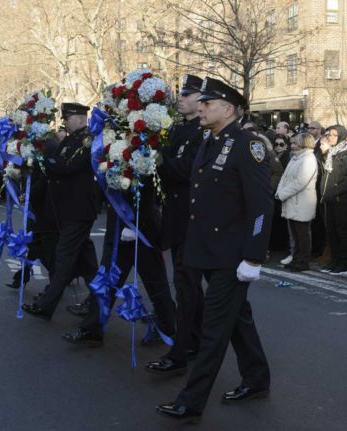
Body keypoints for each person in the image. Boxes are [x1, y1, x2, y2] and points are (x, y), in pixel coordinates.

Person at [156, 77, 272, 422]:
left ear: (229, 109)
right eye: (201, 102)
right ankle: (257, 377)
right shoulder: (210, 141)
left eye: (209, 103)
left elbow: (261, 206)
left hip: (230, 254)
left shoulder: (248, 145)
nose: (202, 107)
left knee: (213, 329)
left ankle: (191, 402)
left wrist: (253, 256)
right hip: (205, 248)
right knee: (237, 319)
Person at [145, 74, 206, 375]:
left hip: (193, 221)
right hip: (176, 217)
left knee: (186, 288)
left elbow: (186, 170)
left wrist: (159, 162)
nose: (181, 98)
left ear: (201, 99)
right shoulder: (180, 131)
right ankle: (197, 341)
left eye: (188, 94)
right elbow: (169, 163)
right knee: (189, 287)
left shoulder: (203, 133)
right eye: (180, 94)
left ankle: (182, 350)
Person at [22, 102, 101, 322]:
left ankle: (46, 305)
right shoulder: (70, 139)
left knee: (64, 258)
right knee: (88, 264)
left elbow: (68, 166)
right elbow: (60, 162)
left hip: (79, 210)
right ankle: (99, 300)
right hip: (68, 210)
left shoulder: (87, 140)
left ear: (79, 118)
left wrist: (48, 161)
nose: (64, 122)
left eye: (67, 118)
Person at [318, 125, 347, 275]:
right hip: (329, 199)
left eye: (335, 135)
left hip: (341, 199)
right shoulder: (332, 153)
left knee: (341, 232)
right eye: (330, 135)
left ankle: (343, 264)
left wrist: (334, 192)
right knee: (331, 232)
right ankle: (334, 260)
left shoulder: (346, 153)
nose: (331, 138)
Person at [276, 133, 318, 272]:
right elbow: (285, 176)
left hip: (302, 201)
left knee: (302, 234)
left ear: (304, 144)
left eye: (295, 143)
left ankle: (303, 261)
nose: (292, 145)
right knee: (295, 234)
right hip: (292, 200)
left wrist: (282, 193)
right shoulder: (295, 158)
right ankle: (296, 259)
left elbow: (301, 181)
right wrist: (279, 190)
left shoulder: (309, 159)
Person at [270, 134, 291, 255]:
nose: (278, 147)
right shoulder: (272, 156)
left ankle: (282, 245)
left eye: (281, 144)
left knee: (281, 219)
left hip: (282, 191)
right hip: (274, 192)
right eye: (276, 144)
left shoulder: (288, 157)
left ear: (286, 146)